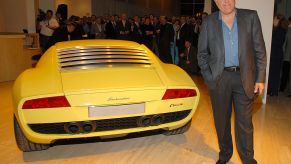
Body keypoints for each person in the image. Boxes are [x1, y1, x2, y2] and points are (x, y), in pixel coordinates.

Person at [197, 0, 267, 164]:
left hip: (245, 78)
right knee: (221, 122)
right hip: (220, 79)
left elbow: (260, 50)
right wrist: (209, 78)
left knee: (244, 123)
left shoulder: (251, 17)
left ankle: (248, 159)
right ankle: (225, 154)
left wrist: (260, 78)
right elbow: (201, 55)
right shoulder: (208, 22)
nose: (225, 2)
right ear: (215, 1)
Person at [268, 15, 288, 96]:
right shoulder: (277, 29)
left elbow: (277, 43)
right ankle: (271, 90)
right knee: (272, 73)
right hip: (275, 54)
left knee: (274, 74)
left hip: (276, 55)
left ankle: (273, 91)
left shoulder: (281, 30)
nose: (273, 20)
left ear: (278, 20)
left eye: (274, 18)